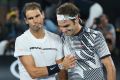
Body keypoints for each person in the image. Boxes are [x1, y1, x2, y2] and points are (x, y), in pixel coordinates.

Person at [14, 2, 76, 80]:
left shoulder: (56, 38)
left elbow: (62, 72)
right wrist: (61, 66)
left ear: (43, 14)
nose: (35, 21)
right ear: (26, 21)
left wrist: (62, 66)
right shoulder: (21, 40)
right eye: (30, 18)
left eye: (37, 16)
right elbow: (33, 73)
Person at [56, 3, 116, 80]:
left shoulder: (95, 36)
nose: (63, 30)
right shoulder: (62, 39)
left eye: (66, 26)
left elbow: (110, 67)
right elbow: (62, 69)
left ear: (76, 19)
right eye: (60, 26)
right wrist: (63, 66)